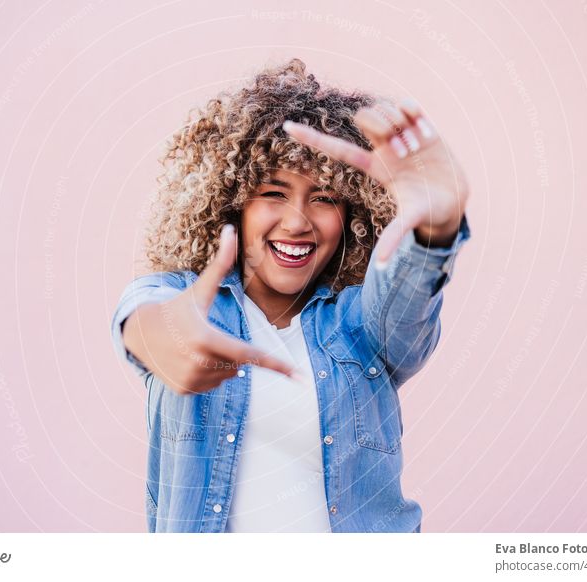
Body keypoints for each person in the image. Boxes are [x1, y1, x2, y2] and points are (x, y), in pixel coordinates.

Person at [111, 58, 472, 532]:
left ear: (353, 215)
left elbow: (408, 293)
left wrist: (436, 226)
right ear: (233, 203)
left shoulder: (361, 327)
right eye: (274, 193)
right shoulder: (180, 296)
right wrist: (172, 340)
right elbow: (146, 326)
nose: (298, 221)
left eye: (324, 198)